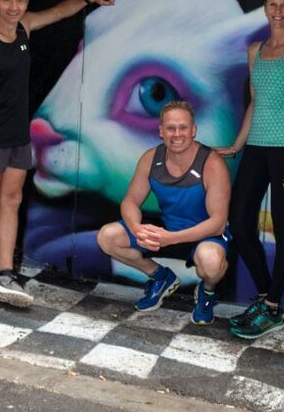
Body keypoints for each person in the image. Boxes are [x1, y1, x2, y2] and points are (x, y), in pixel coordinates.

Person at [0, 0, 114, 307]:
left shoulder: (24, 27)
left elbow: (57, 12)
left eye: (20, 1)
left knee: (11, 199)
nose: (14, 7)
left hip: (17, 133)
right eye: (7, 0)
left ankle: (7, 271)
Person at [215, 0, 284, 339]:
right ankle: (265, 298)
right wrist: (237, 145)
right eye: (272, 4)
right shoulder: (255, 51)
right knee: (240, 223)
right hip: (256, 147)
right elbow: (255, 104)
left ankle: (272, 308)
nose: (277, 11)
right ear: (265, 7)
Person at [97, 100, 232, 325]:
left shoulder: (212, 164)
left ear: (193, 130)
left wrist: (172, 238)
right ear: (161, 131)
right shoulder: (151, 158)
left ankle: (207, 292)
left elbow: (218, 222)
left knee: (211, 262)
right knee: (107, 237)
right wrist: (136, 229)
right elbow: (130, 201)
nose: (177, 134)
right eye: (170, 128)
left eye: (183, 128)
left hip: (205, 235)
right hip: (167, 229)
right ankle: (161, 277)